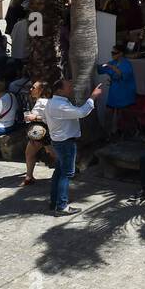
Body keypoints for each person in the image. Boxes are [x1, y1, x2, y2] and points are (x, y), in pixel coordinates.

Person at [46, 79, 101, 214]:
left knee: (59, 172)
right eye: (68, 86)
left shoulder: (54, 102)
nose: (71, 88)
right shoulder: (59, 105)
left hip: (59, 141)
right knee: (66, 174)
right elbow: (82, 112)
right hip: (65, 143)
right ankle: (62, 206)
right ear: (59, 90)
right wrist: (93, 96)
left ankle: (54, 202)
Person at [96, 44, 137, 137]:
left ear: (121, 54)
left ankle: (130, 134)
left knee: (125, 117)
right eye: (112, 52)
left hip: (125, 96)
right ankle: (108, 135)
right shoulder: (112, 62)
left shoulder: (126, 64)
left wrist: (111, 67)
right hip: (114, 95)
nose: (112, 54)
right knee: (108, 115)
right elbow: (100, 69)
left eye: (114, 53)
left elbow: (120, 74)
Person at [20, 80, 55, 187]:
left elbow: (50, 117)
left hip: (42, 132)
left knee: (50, 153)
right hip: (38, 132)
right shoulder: (39, 101)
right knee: (48, 153)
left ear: (41, 90)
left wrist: (34, 117)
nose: (31, 89)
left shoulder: (44, 102)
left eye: (34, 87)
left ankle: (29, 177)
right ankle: (29, 177)